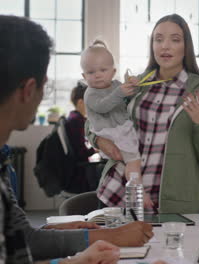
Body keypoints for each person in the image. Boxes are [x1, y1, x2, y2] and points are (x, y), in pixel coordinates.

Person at [0, 15, 153, 263]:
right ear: (29, 89)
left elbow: (22, 240)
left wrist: (83, 239)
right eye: (45, 85)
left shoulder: (4, 164)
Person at [88, 14, 199, 213]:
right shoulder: (136, 85)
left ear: (186, 47)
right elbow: (94, 116)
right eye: (158, 39)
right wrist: (98, 140)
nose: (165, 46)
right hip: (118, 195)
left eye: (175, 40)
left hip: (167, 206)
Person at [81, 40, 152, 207]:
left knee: (131, 160)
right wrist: (119, 93)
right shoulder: (90, 93)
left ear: (113, 71)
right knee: (133, 160)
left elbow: (128, 98)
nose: (97, 75)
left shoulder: (116, 85)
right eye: (91, 72)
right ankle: (138, 192)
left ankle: (134, 189)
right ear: (84, 76)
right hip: (110, 132)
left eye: (103, 70)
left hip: (119, 130)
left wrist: (134, 86)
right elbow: (103, 106)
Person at [64, 82, 96, 192]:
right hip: (80, 175)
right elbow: (81, 153)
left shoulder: (73, 116)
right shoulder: (77, 121)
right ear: (81, 102)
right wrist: (95, 149)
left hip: (75, 170)